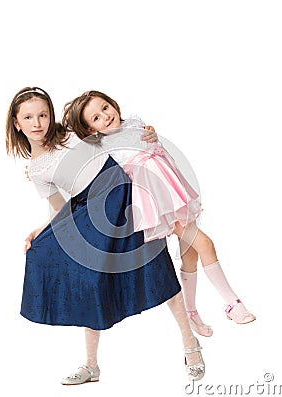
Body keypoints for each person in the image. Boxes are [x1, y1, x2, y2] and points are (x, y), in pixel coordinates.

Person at [6, 87, 205, 384]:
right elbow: (61, 209)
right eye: (29, 117)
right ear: (16, 123)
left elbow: (114, 128)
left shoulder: (72, 133)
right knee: (90, 279)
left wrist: (148, 133)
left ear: (51, 115)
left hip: (122, 195)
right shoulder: (36, 170)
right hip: (92, 213)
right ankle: (91, 365)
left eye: (43, 115)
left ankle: (191, 346)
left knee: (157, 267)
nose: (37, 123)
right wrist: (42, 230)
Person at [62, 90, 256, 339]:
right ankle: (233, 304)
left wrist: (153, 136)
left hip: (173, 188)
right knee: (205, 243)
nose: (105, 117)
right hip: (158, 200)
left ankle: (191, 312)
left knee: (191, 255)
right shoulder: (101, 145)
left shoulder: (134, 121)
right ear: (91, 130)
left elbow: (153, 145)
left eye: (105, 108)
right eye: (96, 118)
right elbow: (68, 146)